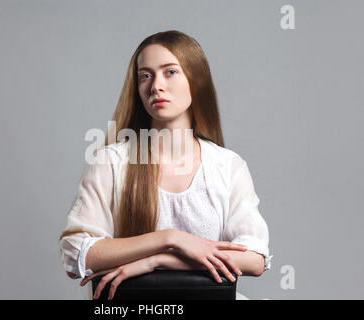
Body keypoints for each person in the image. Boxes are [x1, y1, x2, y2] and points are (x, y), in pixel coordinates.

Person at [59, 30, 272, 300]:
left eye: (170, 72)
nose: (156, 86)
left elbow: (254, 259)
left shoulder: (227, 166)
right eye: (145, 76)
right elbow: (76, 254)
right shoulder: (111, 162)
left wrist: (158, 261)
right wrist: (170, 238)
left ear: (196, 80)